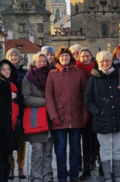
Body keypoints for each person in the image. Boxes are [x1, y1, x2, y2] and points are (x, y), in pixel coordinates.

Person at [85, 51, 120, 182]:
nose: (105, 64)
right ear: (98, 63)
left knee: (117, 148)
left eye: (108, 61)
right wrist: (97, 112)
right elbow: (88, 99)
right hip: (102, 119)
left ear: (112, 62)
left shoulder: (119, 75)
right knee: (104, 149)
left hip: (119, 117)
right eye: (102, 61)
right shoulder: (93, 78)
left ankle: (116, 175)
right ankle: (107, 176)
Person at [45, 47, 88, 182]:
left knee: (75, 148)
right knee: (60, 149)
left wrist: (85, 114)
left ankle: (74, 176)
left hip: (76, 117)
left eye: (67, 56)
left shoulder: (79, 73)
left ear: (71, 58)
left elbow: (84, 95)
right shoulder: (52, 74)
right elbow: (49, 97)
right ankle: (62, 177)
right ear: (58, 58)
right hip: (59, 118)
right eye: (62, 57)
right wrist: (53, 116)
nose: (65, 59)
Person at [22, 52, 54, 182]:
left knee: (48, 151)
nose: (42, 63)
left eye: (44, 61)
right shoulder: (28, 77)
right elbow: (26, 98)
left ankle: (47, 176)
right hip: (35, 119)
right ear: (34, 63)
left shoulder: (52, 75)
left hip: (50, 119)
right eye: (39, 61)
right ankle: (35, 177)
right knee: (37, 151)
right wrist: (46, 102)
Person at [76, 47, 100, 181]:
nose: (85, 58)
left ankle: (99, 162)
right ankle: (86, 167)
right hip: (81, 109)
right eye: (83, 56)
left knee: (98, 139)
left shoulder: (96, 70)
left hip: (95, 109)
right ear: (79, 58)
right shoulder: (75, 70)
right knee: (85, 139)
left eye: (88, 56)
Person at [6, 48, 27, 179]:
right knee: (8, 140)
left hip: (21, 110)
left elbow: (26, 91)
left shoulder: (24, 73)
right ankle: (10, 168)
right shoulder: (3, 71)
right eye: (11, 55)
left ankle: (21, 167)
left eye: (15, 55)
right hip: (7, 111)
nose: (13, 58)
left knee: (21, 141)